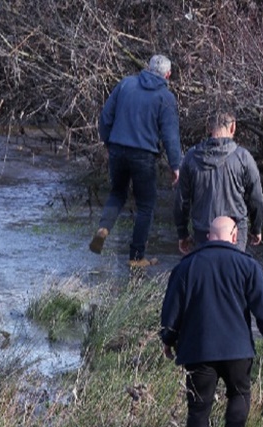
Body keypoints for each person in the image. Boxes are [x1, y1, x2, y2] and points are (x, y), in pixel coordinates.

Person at [159, 216, 263, 427]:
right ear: (234, 236)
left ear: (207, 236)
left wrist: (167, 339)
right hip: (237, 349)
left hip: (198, 351)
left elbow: (172, 310)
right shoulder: (248, 266)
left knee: (198, 410)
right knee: (239, 393)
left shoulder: (186, 267)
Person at [89, 54, 183, 268]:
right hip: (144, 155)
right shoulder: (166, 98)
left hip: (118, 149)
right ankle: (136, 256)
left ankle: (103, 228)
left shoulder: (126, 84)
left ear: (147, 67)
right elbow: (170, 135)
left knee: (117, 193)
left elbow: (105, 117)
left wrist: (108, 141)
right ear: (168, 75)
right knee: (146, 206)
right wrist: (175, 165)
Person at [175, 109, 263, 254]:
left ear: (208, 127)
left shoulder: (191, 158)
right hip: (234, 234)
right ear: (233, 127)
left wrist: (182, 233)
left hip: (203, 232)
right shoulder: (243, 158)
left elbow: (181, 201)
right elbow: (256, 198)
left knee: (205, 274)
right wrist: (257, 228)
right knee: (234, 274)